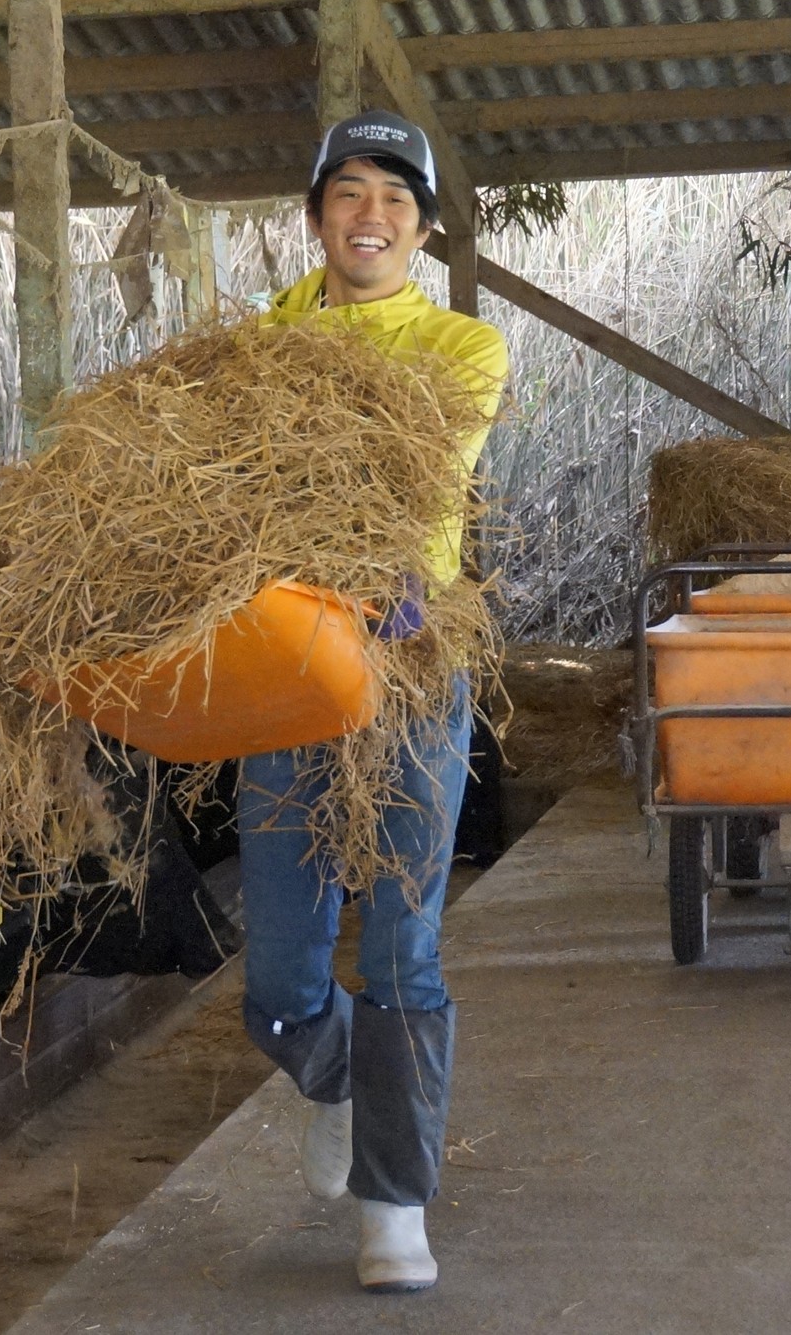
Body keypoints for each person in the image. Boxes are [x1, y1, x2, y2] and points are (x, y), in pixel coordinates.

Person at [239, 109, 509, 1294]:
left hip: (406, 658)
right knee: (279, 987)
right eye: (349, 192)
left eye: (396, 198)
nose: (371, 216)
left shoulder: (463, 350)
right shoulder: (250, 348)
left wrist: (375, 567)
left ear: (423, 227)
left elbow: (412, 476)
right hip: (280, 664)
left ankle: (393, 1206)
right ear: (313, 217)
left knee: (402, 944)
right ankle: (339, 1075)